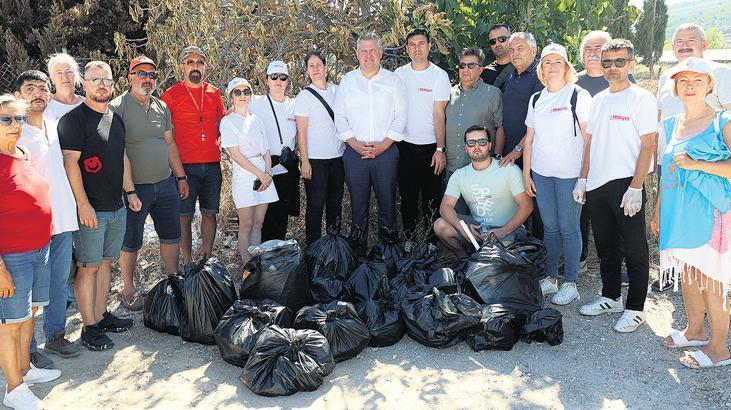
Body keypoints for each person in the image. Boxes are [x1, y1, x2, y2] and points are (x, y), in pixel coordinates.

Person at [651, 58, 731, 368]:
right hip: (678, 213)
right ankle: (695, 330)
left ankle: (719, 347)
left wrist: (698, 165)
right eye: (683, 80)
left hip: (711, 214)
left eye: (697, 80)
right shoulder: (671, 124)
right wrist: (657, 210)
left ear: (710, 85)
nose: (689, 85)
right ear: (675, 87)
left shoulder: (721, 122)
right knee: (690, 273)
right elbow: (666, 173)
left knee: (710, 278)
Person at [575, 40, 658, 333]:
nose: (612, 67)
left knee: (634, 248)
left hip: (626, 183)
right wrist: (583, 178)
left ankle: (635, 308)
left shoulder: (642, 98)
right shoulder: (599, 100)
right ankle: (611, 297)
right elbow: (590, 143)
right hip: (597, 183)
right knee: (607, 246)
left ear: (631, 64)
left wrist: (636, 187)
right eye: (607, 62)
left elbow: (649, 145)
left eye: (619, 62)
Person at [58, 61, 141, 351]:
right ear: (85, 84)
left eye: (106, 79)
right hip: (91, 210)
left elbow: (122, 158)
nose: (102, 84)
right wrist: (83, 205)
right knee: (88, 267)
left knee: (106, 264)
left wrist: (129, 191)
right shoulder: (73, 120)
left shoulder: (115, 119)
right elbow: (71, 163)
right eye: (95, 79)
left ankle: (101, 315)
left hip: (116, 207)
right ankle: (89, 326)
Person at [653, 23, 731, 292]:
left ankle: (717, 331)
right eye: (678, 40)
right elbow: (663, 121)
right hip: (675, 171)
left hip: (709, 188)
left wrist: (700, 162)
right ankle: (693, 328)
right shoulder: (667, 77)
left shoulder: (722, 74)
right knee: (686, 263)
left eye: (691, 40)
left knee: (710, 272)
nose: (684, 45)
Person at [110, 56, 188, 311]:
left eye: (152, 75)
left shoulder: (161, 107)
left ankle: (173, 283)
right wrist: (129, 190)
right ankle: (129, 289)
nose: (147, 79)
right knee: (131, 240)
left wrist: (181, 177)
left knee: (170, 235)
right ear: (130, 76)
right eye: (141, 73)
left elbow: (170, 144)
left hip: (165, 183)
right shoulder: (116, 108)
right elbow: (118, 153)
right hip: (135, 188)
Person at [15, 71, 80, 369]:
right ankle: (26, 349)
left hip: (63, 217)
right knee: (30, 290)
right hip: (32, 224)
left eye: (42, 88)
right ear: (18, 97)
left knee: (58, 281)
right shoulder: (15, 132)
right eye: (30, 89)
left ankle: (54, 336)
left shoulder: (56, 125)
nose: (38, 94)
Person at [0, 94, 61, 410]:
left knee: (28, 314)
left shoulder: (21, 152)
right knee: (9, 324)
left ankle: (26, 369)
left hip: (39, 248)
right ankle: (13, 388)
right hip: (12, 256)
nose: (14, 125)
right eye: (6, 119)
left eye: (18, 119)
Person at [522, 44, 591, 305]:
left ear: (566, 67)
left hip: (569, 175)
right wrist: (527, 174)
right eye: (547, 62)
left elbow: (588, 139)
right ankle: (551, 279)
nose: (552, 67)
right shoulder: (536, 99)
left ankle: (571, 282)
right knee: (550, 229)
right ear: (541, 68)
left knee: (569, 227)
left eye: (557, 62)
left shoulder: (578, 95)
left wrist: (583, 178)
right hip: (542, 174)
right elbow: (529, 140)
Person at [334, 32, 407, 250]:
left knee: (387, 202)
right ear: (357, 54)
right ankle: (357, 252)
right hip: (355, 153)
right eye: (363, 51)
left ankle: (388, 251)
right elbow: (339, 116)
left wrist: (384, 145)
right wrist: (354, 144)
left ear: (380, 53)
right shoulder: (347, 81)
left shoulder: (393, 81)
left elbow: (401, 116)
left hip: (386, 152)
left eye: (372, 50)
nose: (368, 55)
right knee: (358, 203)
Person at [576, 30, 635, 284]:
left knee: (618, 218)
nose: (592, 52)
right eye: (587, 48)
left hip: (617, 164)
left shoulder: (623, 79)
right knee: (583, 215)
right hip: (581, 161)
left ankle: (620, 267)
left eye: (598, 48)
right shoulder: (574, 82)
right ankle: (580, 259)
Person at [161, 46, 225, 264]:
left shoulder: (214, 93)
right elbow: (163, 134)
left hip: (212, 165)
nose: (195, 66)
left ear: (205, 66)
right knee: (184, 216)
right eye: (190, 62)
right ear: (182, 66)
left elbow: (221, 124)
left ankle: (206, 258)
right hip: (184, 167)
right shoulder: (170, 96)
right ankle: (188, 262)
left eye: (199, 62)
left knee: (209, 213)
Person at [434, 125, 532, 258]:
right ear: (466, 147)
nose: (476, 146)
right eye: (471, 143)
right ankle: (464, 259)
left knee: (498, 252)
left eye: (482, 142)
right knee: (440, 225)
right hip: (478, 229)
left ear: (489, 145)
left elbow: (527, 206)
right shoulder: (459, 175)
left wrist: (502, 231)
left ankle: (486, 259)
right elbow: (445, 207)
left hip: (509, 230)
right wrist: (463, 228)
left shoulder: (508, 169)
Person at [394, 28, 450, 239]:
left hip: (431, 149)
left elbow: (439, 114)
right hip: (404, 147)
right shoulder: (399, 75)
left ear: (429, 46)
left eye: (421, 43)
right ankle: (409, 240)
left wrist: (440, 149)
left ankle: (430, 243)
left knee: (431, 198)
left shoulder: (439, 76)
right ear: (407, 49)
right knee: (407, 197)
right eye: (412, 44)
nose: (417, 48)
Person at [220, 78, 277, 264]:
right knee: (246, 224)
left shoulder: (257, 119)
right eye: (237, 92)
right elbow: (236, 155)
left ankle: (257, 263)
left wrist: (267, 174)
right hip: (244, 176)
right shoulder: (228, 122)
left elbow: (267, 151)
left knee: (259, 224)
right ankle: (247, 267)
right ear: (231, 97)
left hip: (264, 174)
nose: (242, 95)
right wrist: (260, 175)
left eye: (246, 91)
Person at [295, 51, 344, 245]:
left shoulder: (338, 90)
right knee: (316, 205)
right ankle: (314, 248)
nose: (315, 69)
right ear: (307, 71)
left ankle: (334, 246)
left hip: (338, 157)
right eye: (311, 66)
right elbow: (301, 132)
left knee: (335, 204)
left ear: (326, 67)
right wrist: (304, 161)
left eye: (318, 65)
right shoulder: (304, 97)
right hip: (315, 160)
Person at [499, 32, 544, 240]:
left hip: (531, 154)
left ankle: (540, 254)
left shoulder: (539, 77)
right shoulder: (511, 76)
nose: (515, 53)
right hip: (510, 154)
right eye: (512, 50)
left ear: (533, 51)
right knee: (517, 206)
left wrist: (518, 150)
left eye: (520, 49)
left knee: (536, 208)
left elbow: (538, 123)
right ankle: (520, 253)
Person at [249, 60, 299, 242]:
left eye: (283, 77)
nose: (278, 81)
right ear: (267, 80)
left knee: (280, 215)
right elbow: (232, 115)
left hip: (286, 167)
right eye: (274, 77)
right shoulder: (254, 102)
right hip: (263, 166)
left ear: (287, 81)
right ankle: (259, 259)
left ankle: (276, 260)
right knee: (261, 217)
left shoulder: (295, 104)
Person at [445, 47, 504, 176]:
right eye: (462, 65)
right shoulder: (448, 93)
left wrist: (497, 156)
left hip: (481, 167)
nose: (465, 69)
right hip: (450, 167)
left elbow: (500, 127)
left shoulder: (493, 93)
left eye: (471, 65)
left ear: (481, 70)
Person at [45, 53, 84, 123]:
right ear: (52, 78)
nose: (65, 76)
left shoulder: (87, 104)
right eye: (59, 73)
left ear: (76, 75)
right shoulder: (46, 107)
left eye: (69, 72)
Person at [480, 24, 515, 90]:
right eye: (493, 41)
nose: (497, 44)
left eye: (502, 39)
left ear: (511, 40)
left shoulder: (521, 68)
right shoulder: (485, 72)